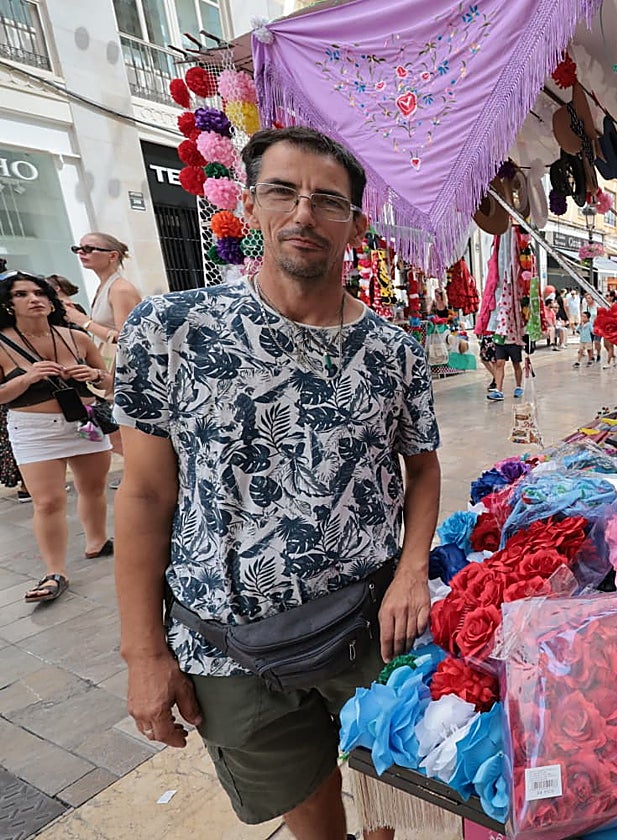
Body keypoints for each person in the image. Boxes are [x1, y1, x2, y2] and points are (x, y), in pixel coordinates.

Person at [113, 127, 440, 839]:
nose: (303, 214)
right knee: (306, 806)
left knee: (387, 787)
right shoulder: (171, 329)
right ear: (252, 206)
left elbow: (420, 465)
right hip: (228, 646)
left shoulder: (395, 352)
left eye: (327, 200)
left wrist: (414, 569)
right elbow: (142, 495)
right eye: (283, 191)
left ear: (355, 224)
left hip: (370, 627)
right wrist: (144, 653)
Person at [0, 272, 113, 603]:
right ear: (8, 303)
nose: (34, 299)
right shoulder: (3, 342)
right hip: (35, 429)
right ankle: (55, 571)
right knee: (48, 501)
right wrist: (25, 379)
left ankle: (96, 542)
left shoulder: (76, 338)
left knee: (92, 488)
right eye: (22, 294)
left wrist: (95, 374)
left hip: (85, 423)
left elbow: (113, 382)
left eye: (40, 293)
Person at [64, 233, 142, 458]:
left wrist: (83, 321)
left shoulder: (120, 289)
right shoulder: (105, 286)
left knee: (119, 432)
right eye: (78, 248)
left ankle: (141, 475)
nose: (81, 253)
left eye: (89, 249)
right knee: (114, 433)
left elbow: (126, 336)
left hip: (122, 368)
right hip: (108, 366)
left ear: (112, 255)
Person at [488, 333, 524, 399]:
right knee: (499, 363)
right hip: (500, 341)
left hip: (514, 341)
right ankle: (499, 390)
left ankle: (518, 387)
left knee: (516, 364)